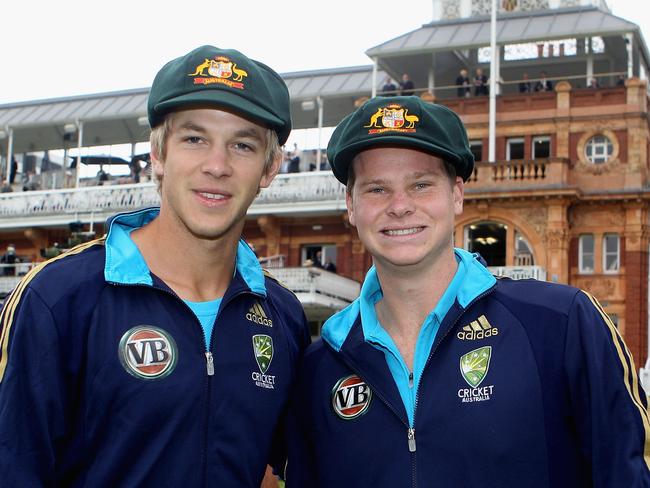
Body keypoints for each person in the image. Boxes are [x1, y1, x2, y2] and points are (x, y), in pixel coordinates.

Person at [285, 95, 650, 487]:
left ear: (457, 194)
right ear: (351, 205)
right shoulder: (320, 365)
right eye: (377, 189)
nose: (400, 206)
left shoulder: (560, 325)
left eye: (421, 185)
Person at [0, 45, 310, 487]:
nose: (216, 165)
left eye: (242, 145)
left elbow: (284, 466)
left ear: (270, 167)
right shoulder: (58, 297)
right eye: (194, 138)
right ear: (158, 154)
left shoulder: (282, 316)